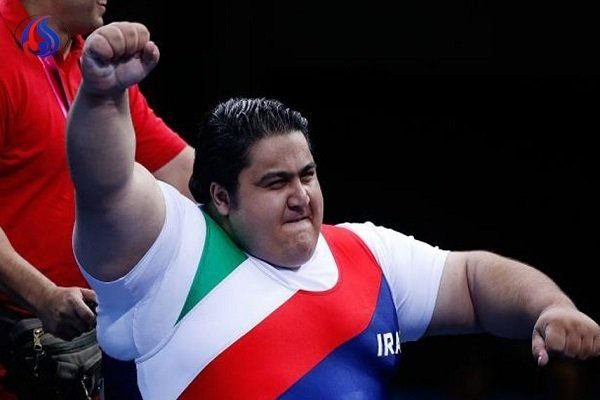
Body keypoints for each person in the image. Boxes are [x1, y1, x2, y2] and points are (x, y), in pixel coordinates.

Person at [66, 22, 600, 400]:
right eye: (276, 182)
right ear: (221, 197)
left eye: (307, 174)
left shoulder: (368, 254)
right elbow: (106, 187)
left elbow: (473, 278)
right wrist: (102, 98)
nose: (301, 195)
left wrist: (549, 307)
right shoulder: (171, 257)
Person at [0, 0, 194, 397]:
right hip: (16, 342)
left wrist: (255, 199)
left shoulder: (93, 62)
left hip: (87, 341)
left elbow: (178, 169)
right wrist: (42, 295)